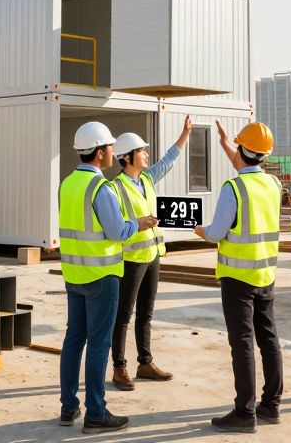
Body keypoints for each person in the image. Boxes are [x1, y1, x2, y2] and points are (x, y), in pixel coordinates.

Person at [58, 121, 159, 434]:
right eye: (110, 148)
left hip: (74, 274)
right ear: (100, 153)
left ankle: (68, 407)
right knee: (99, 344)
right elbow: (117, 231)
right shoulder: (100, 188)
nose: (114, 153)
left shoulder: (68, 184)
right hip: (102, 276)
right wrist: (138, 223)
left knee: (74, 340)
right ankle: (96, 414)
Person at [193, 121, 283, 434]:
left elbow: (218, 232)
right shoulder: (273, 184)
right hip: (265, 275)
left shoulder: (233, 188)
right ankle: (270, 405)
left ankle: (244, 413)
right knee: (268, 339)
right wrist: (222, 141)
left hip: (237, 278)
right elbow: (244, 162)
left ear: (242, 149)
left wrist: (202, 231)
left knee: (242, 342)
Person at [109, 115, 194, 391]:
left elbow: (168, 161)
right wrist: (139, 224)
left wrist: (185, 135)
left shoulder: (147, 179)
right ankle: (119, 367)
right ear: (127, 157)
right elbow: (114, 227)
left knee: (146, 313)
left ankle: (145, 363)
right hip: (131, 260)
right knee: (123, 315)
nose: (146, 155)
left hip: (153, 255)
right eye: (142, 151)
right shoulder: (115, 188)